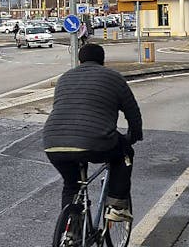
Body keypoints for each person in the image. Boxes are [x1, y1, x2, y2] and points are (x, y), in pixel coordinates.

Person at [43, 43, 143, 222]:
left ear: (80, 60)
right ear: (102, 61)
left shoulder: (65, 78)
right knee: (125, 153)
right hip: (94, 140)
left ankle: (70, 230)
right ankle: (118, 205)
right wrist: (133, 136)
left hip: (52, 142)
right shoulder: (113, 77)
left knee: (71, 184)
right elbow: (132, 113)